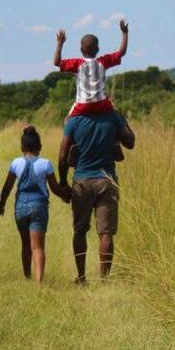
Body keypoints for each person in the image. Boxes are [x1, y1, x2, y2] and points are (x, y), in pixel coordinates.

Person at [58, 110, 135, 284]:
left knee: (79, 230)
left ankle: (81, 276)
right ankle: (104, 280)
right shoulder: (113, 117)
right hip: (107, 181)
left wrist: (63, 183)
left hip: (82, 182)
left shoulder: (73, 120)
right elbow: (130, 143)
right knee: (106, 233)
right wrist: (120, 117)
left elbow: (63, 156)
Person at [0, 126, 70, 283]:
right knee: (38, 246)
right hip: (39, 206)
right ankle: (39, 282)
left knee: (25, 244)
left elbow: (7, 187)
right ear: (40, 147)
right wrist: (67, 196)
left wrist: (1, 204)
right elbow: (55, 188)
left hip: (21, 207)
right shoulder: (46, 164)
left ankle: (27, 275)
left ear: (22, 147)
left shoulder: (16, 163)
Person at [53, 19, 129, 118]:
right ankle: (128, 133)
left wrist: (60, 43)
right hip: (102, 104)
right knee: (119, 118)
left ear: (81, 50)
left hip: (82, 105)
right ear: (98, 49)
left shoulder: (77, 64)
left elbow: (57, 62)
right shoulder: (103, 62)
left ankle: (67, 133)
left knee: (67, 122)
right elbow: (122, 52)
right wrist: (125, 33)